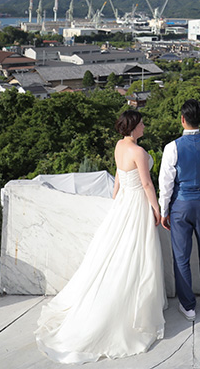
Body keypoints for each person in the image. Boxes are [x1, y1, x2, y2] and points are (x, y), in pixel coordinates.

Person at [35, 110, 165, 363]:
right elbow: (147, 184)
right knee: (137, 253)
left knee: (117, 252)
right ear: (134, 127)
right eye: (142, 124)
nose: (145, 126)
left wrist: (116, 195)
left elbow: (118, 173)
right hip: (137, 203)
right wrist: (156, 208)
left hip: (124, 202)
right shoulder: (138, 152)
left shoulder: (119, 145)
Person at [159, 99, 200, 321]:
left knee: (181, 256)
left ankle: (188, 307)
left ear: (182, 119)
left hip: (180, 205)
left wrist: (164, 209)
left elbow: (165, 183)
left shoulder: (172, 147)